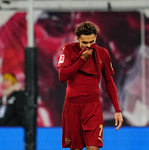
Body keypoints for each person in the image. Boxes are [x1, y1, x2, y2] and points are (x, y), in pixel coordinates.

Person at [58, 22, 123, 150]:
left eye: (91, 42)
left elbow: (109, 82)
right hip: (72, 106)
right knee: (75, 148)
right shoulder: (68, 49)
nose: (88, 46)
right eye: (84, 42)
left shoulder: (103, 53)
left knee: (93, 147)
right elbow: (62, 76)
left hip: (92, 107)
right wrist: (81, 59)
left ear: (96, 38)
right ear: (77, 38)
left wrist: (117, 110)